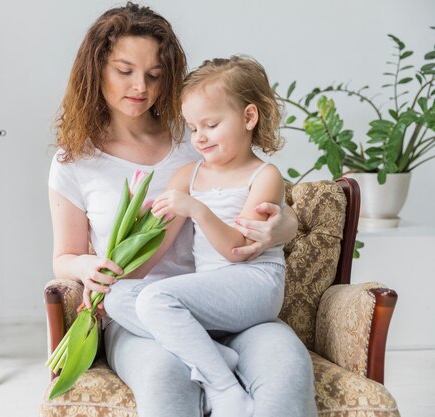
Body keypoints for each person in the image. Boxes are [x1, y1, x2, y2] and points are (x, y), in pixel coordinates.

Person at [48, 3, 317, 417]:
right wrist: (89, 270)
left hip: (232, 303)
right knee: (166, 375)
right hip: (141, 318)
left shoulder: (195, 138)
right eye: (125, 71)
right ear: (96, 68)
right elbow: (63, 257)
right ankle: (216, 376)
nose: (141, 86)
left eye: (155, 75)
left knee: (287, 371)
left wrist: (286, 227)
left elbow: (255, 192)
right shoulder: (75, 162)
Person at [106, 56, 288, 417]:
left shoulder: (264, 176)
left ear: (249, 118)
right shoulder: (188, 175)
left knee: (158, 302)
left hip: (254, 285)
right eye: (192, 127)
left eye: (211, 124)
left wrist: (198, 211)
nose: (199, 137)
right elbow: (155, 252)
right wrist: (112, 277)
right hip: (211, 294)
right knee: (118, 298)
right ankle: (212, 350)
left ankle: (222, 386)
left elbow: (239, 250)